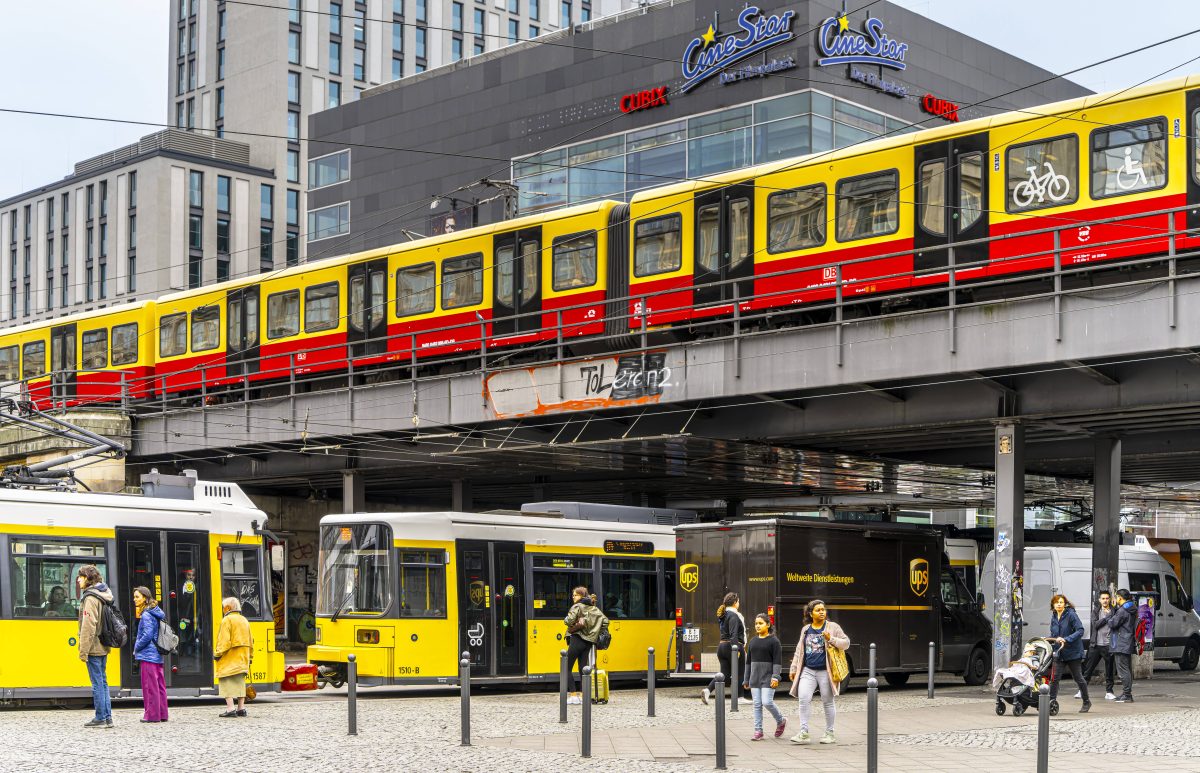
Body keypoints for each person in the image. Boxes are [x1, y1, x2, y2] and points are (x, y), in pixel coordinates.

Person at [788, 599, 850, 745]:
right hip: (808, 670)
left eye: (823, 609)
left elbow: (846, 643)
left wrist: (831, 639)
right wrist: (794, 668)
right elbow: (799, 650)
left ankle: (830, 732)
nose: (822, 612)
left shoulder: (833, 627)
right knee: (803, 698)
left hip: (825, 672)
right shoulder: (806, 629)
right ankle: (804, 732)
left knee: (827, 702)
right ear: (811, 613)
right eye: (818, 610)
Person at [76, 565, 114, 728]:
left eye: (80, 577)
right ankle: (107, 717)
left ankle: (100, 717)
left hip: (94, 646)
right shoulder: (103, 594)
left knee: (97, 683)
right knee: (103, 682)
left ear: (88, 579)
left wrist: (83, 651)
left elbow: (88, 626)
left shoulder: (90, 598)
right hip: (103, 645)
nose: (78, 580)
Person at [743, 613, 786, 741]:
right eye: (756, 623)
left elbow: (777, 661)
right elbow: (748, 662)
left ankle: (781, 720)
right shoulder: (753, 642)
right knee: (757, 704)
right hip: (755, 678)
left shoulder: (774, 641)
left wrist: (775, 677)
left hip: (768, 677)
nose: (757, 626)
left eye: (760, 623)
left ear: (768, 625)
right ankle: (758, 731)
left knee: (767, 702)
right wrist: (746, 679)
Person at [132, 587, 169, 723]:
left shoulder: (146, 614)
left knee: (149, 686)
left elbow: (147, 635)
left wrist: (137, 646)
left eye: (137, 597)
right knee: (159, 685)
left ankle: (152, 715)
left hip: (148, 654)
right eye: (134, 597)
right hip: (157, 655)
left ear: (145, 598)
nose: (134, 599)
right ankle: (162, 713)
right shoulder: (155, 612)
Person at [701, 592, 746, 706]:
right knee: (740, 671)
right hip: (733, 646)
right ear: (735, 603)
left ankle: (707, 691)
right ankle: (739, 697)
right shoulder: (734, 616)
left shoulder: (723, 615)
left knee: (724, 674)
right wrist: (735, 649)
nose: (739, 603)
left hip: (721, 647)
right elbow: (733, 634)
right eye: (738, 601)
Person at [562, 586, 604, 705]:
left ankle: (574, 695)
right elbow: (605, 621)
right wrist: (592, 631)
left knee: (566, 667)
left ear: (581, 596)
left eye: (575, 595)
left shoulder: (577, 606)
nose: (573, 597)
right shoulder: (593, 608)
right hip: (588, 643)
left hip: (577, 640)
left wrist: (569, 620)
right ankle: (583, 695)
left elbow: (568, 621)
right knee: (583, 669)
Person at [1048, 594, 1090, 712]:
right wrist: (1051, 639)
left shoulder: (1071, 615)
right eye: (1056, 602)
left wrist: (1067, 639)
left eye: (1061, 602)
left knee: (1078, 678)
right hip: (1059, 652)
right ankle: (1051, 703)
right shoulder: (1054, 617)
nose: (1059, 604)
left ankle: (1086, 701)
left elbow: (1080, 630)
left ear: (1065, 604)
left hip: (1073, 652)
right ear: (1053, 605)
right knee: (1055, 679)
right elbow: (1054, 633)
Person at [214, 596, 253, 718]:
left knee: (226, 681)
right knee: (240, 683)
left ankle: (230, 708)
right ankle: (241, 708)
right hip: (243, 657)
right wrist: (250, 656)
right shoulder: (244, 620)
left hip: (229, 658)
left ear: (227, 608)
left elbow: (224, 641)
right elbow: (251, 640)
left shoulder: (227, 620)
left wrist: (217, 654)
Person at [1079, 590, 1116, 701]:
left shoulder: (1114, 611)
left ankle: (1109, 691)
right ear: (1099, 600)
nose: (1105, 600)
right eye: (1103, 598)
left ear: (1110, 599)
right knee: (1088, 669)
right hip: (1096, 644)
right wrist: (1106, 618)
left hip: (1109, 645)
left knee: (1109, 669)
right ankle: (1082, 691)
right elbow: (1095, 625)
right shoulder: (1096, 611)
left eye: (1107, 598)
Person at [1108, 588, 1137, 703]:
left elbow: (1113, 623)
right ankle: (1126, 693)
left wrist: (1109, 616)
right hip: (1128, 641)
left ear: (1120, 597)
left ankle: (1127, 695)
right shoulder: (1131, 608)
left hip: (1121, 643)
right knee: (1127, 669)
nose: (1115, 599)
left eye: (1116, 597)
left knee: (1123, 670)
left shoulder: (1122, 610)